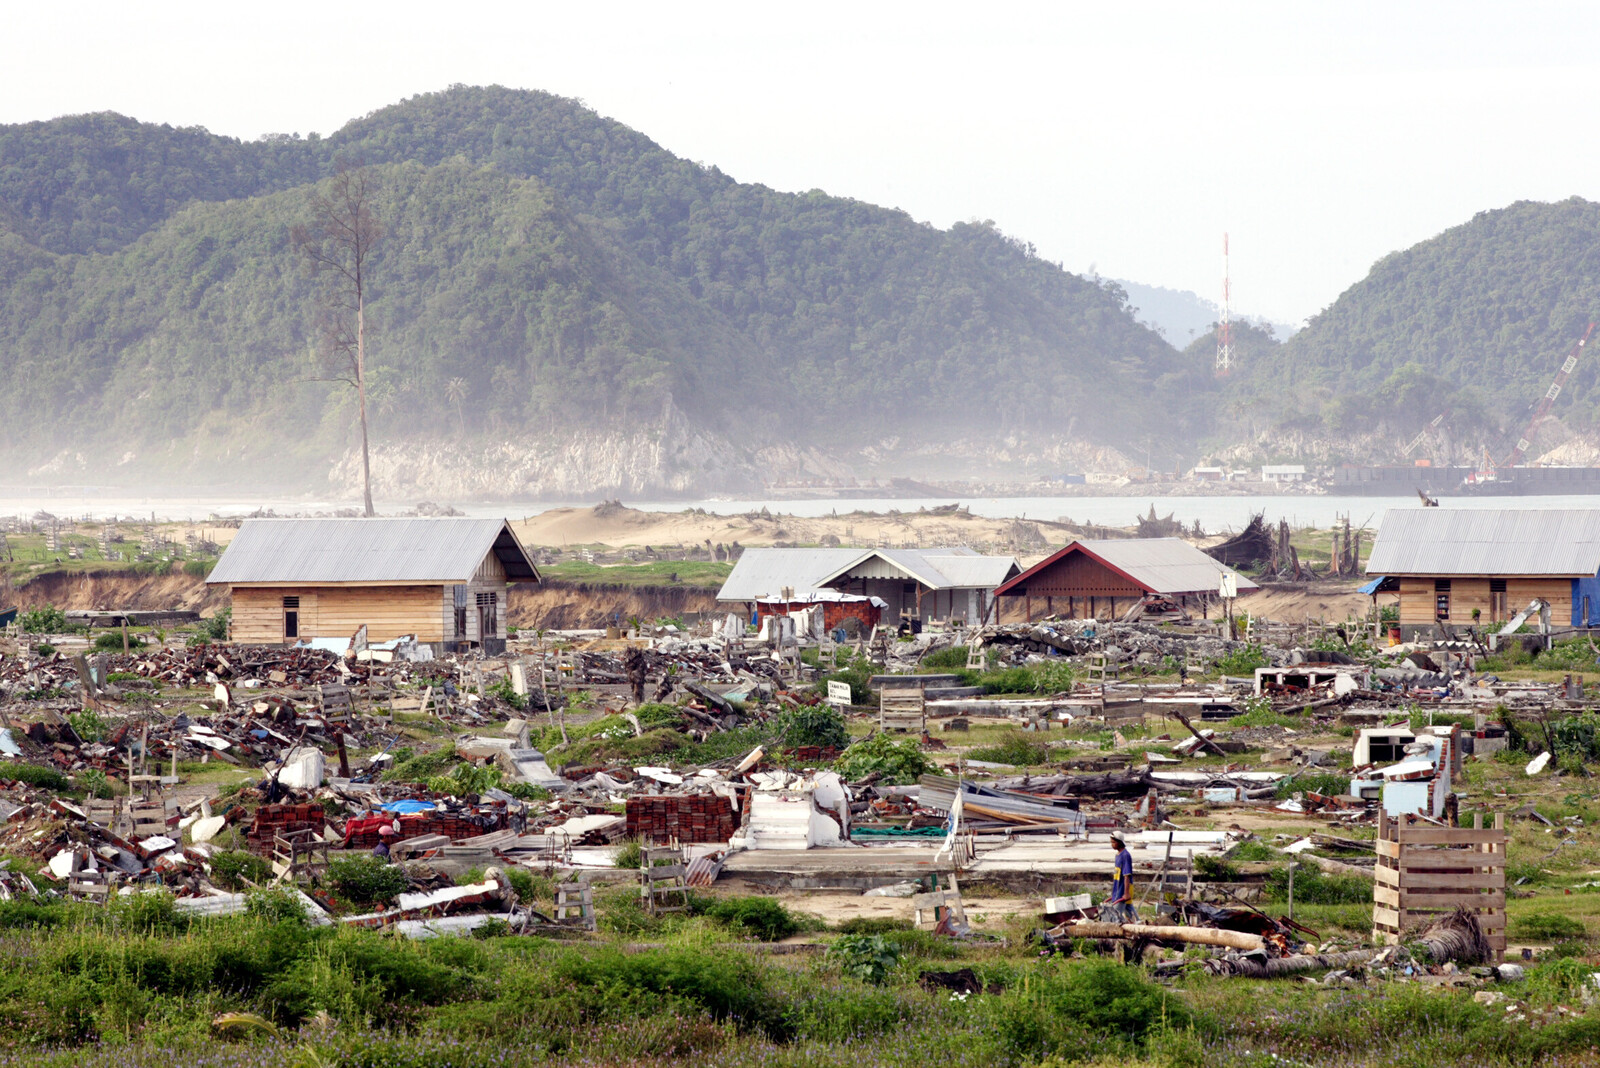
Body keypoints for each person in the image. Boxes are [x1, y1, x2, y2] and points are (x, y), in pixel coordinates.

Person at [1105, 833, 1137, 923]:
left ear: (1119, 842)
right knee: (1129, 911)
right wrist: (1114, 893)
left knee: (1115, 914)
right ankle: (1138, 923)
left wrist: (1126, 893)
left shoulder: (1125, 855)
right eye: (1111, 842)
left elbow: (1126, 875)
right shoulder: (1118, 855)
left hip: (1124, 889)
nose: (1112, 844)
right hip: (1118, 889)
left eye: (1114, 842)